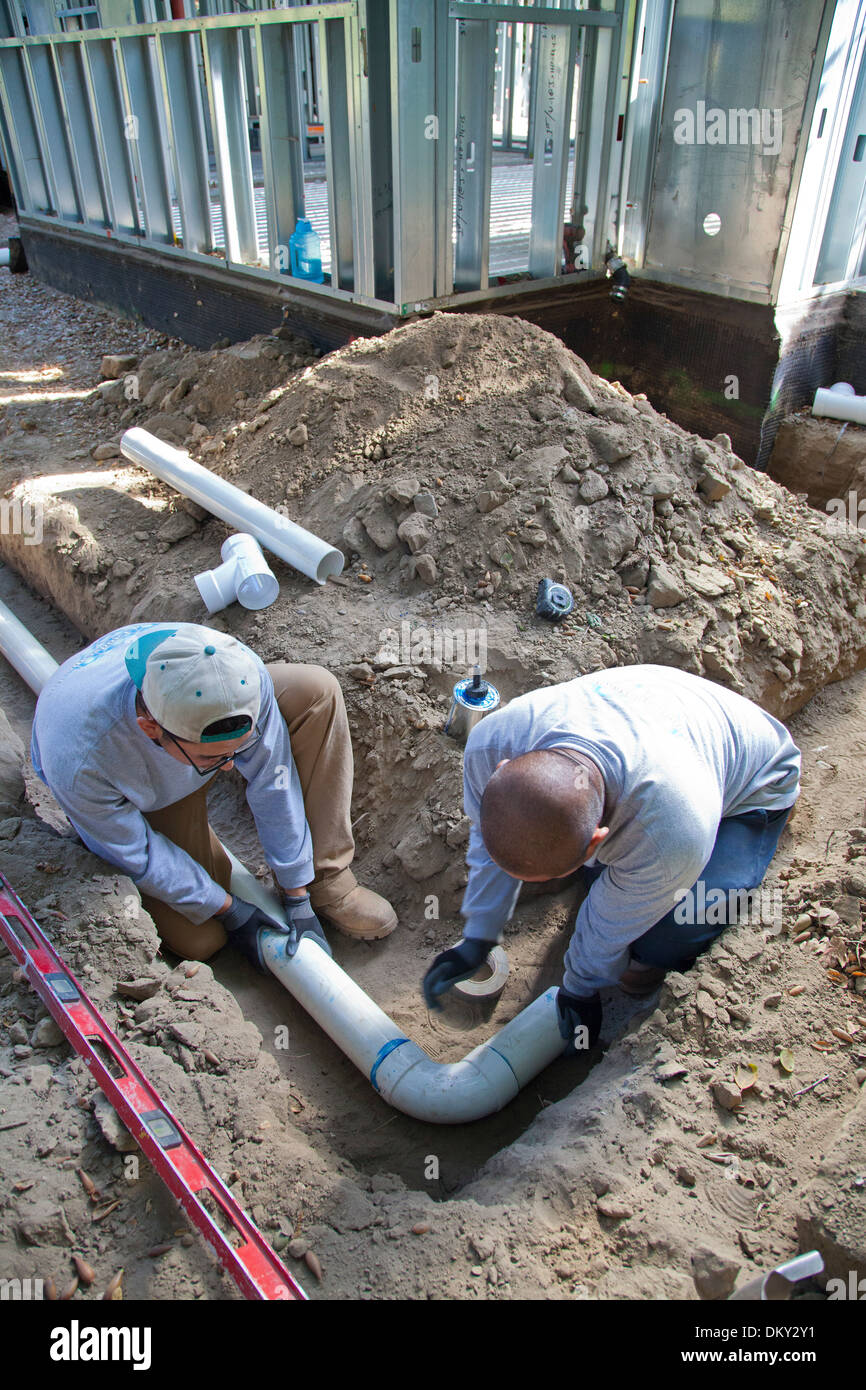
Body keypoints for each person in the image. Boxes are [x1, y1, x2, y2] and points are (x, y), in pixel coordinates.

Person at [422, 664, 800, 1051]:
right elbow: (493, 847)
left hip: (757, 775)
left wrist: (580, 989)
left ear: (596, 843)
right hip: (655, 706)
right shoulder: (491, 742)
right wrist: (477, 938)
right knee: (567, 867)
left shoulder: (672, 833)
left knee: (664, 939)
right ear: (501, 771)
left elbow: (606, 928)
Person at [31, 622, 397, 970]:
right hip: (139, 785)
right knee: (201, 939)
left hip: (181, 737)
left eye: (237, 751)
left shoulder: (239, 673)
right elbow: (137, 854)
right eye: (212, 757)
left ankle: (326, 880)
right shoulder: (84, 760)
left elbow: (274, 780)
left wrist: (296, 892)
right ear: (151, 728)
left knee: (313, 690)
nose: (228, 769)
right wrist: (227, 909)